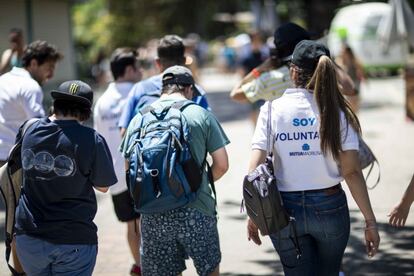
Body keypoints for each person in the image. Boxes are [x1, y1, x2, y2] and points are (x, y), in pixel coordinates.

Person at [246, 40, 380, 275]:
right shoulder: (339, 112)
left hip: (283, 211)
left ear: (293, 71)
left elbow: (254, 171)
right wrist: (370, 222)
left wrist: (254, 214)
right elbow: (351, 171)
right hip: (330, 208)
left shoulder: (271, 110)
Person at [120, 65, 229, 276]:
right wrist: (197, 182)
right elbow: (222, 164)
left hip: (153, 214)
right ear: (189, 89)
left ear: (163, 89)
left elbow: (128, 169)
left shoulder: (138, 119)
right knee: (209, 271)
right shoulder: (199, 114)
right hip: (197, 208)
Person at [14, 80, 117, 275]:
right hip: (73, 239)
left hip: (29, 238)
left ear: (55, 104)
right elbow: (103, 186)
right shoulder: (92, 139)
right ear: (86, 111)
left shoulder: (28, 129)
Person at [0, 40, 62, 273]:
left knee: (14, 220)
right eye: (49, 67)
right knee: (24, 223)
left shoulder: (2, 80)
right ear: (34, 63)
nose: (51, 73)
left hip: (3, 160)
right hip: (19, 162)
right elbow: (39, 129)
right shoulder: (30, 87)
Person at [93, 48, 142, 276]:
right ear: (129, 69)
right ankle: (153, 266)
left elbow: (99, 140)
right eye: (138, 67)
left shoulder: (102, 101)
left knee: (131, 224)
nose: (141, 71)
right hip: (143, 172)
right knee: (147, 223)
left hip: (115, 174)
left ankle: (139, 265)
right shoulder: (139, 94)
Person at [230, 23, 356, 105]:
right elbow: (350, 89)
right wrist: (326, 59)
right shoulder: (319, 73)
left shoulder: (269, 79)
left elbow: (235, 94)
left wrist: (259, 69)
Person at [118, 34, 210, 135]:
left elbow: (124, 132)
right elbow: (209, 132)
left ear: (157, 62)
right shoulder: (195, 91)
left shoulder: (140, 89)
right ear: (184, 61)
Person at [335, 44, 366, 113]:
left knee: (355, 104)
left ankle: (355, 118)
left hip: (355, 84)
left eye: (343, 51)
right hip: (345, 87)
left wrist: (363, 78)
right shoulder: (339, 61)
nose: (341, 53)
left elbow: (361, 71)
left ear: (348, 52)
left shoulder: (354, 60)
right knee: (348, 105)